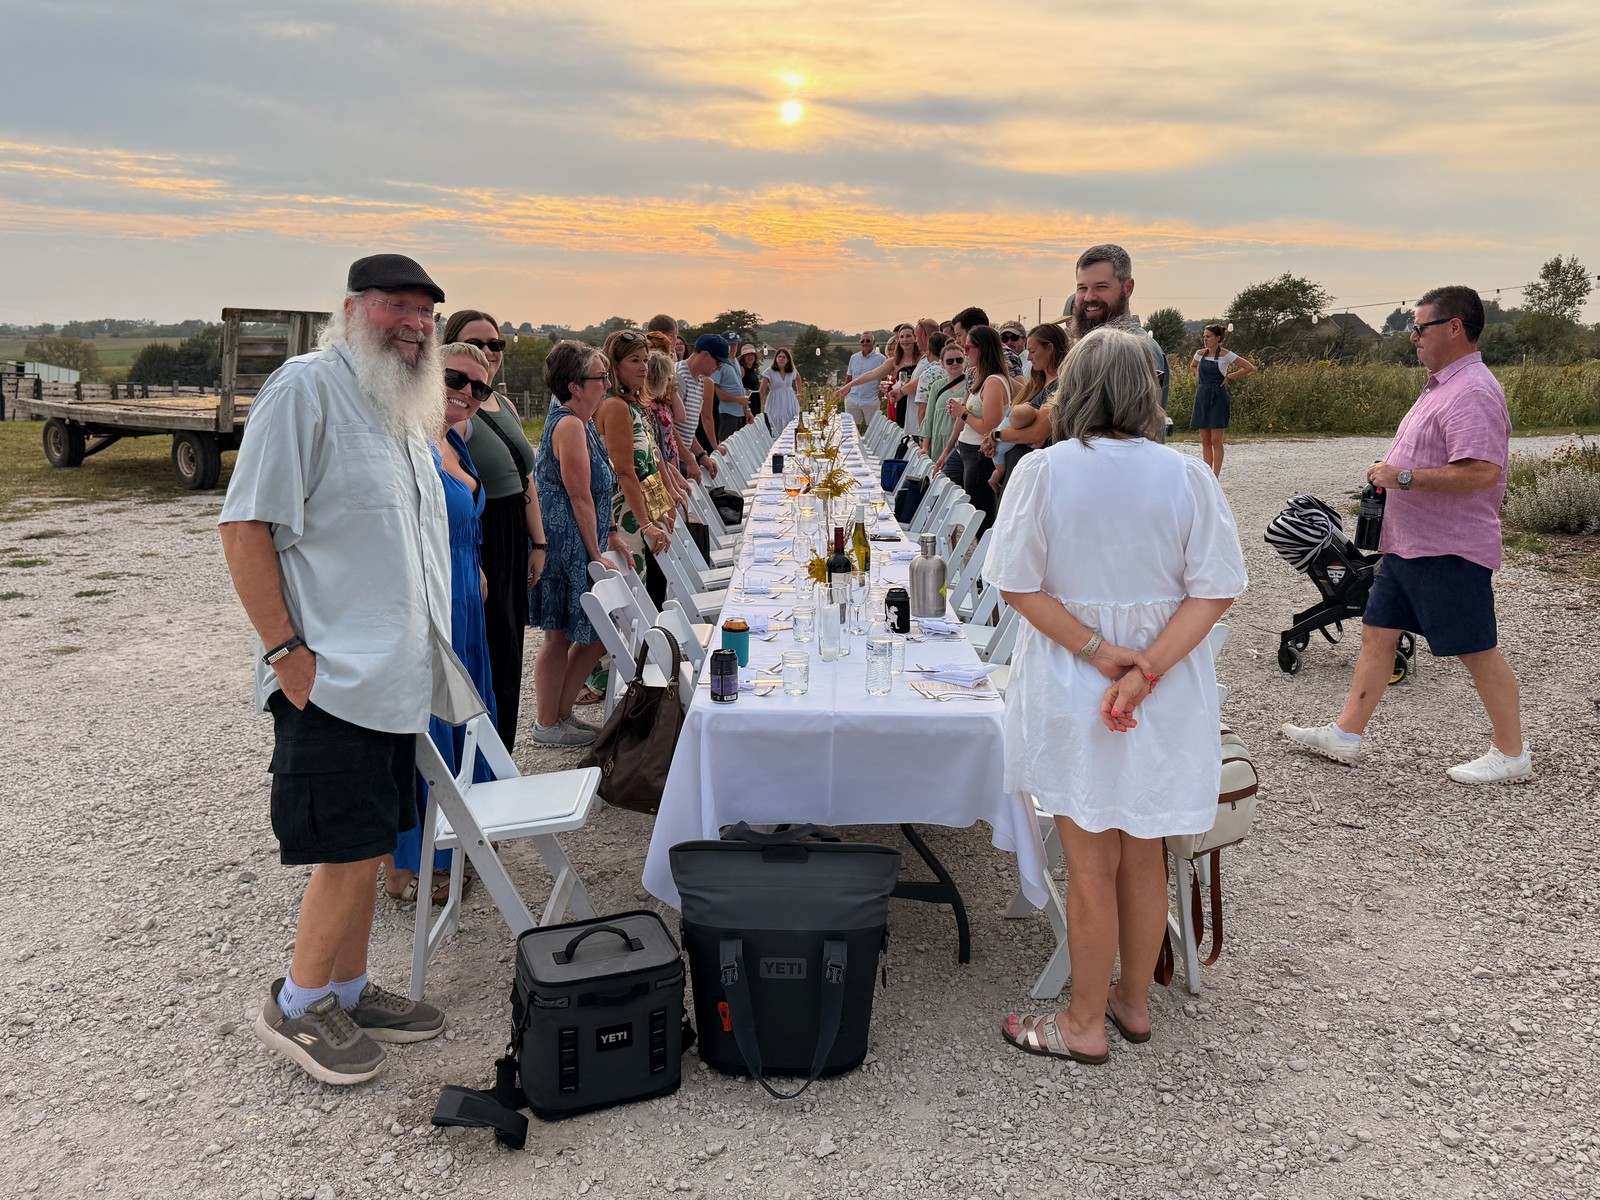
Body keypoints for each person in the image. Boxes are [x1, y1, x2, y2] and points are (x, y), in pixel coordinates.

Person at [219, 253, 473, 1085]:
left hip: (395, 678)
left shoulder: (400, 406)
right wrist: (285, 654)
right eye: (397, 305)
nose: (414, 324)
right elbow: (245, 527)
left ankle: (351, 989)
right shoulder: (305, 390)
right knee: (342, 851)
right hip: (329, 674)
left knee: (370, 843)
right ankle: (297, 1005)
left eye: (425, 313)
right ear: (353, 310)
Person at [988, 326, 1247, 1064]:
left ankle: (1082, 1022)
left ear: (1075, 389)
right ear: (1148, 392)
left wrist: (1100, 653)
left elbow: (1016, 585)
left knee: (1090, 864)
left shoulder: (1045, 472)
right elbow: (1216, 589)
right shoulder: (1187, 476)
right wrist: (1145, 670)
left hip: (1076, 683)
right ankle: (1132, 1002)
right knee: (1144, 855)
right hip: (1162, 691)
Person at [1283, 286, 1530, 785]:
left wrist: (1402, 477)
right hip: (1408, 546)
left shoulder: (1473, 391)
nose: (1413, 337)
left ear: (1454, 328)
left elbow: (1484, 471)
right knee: (1377, 634)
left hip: (1447, 548)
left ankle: (1512, 754)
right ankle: (1346, 733)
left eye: (1420, 327)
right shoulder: (1442, 386)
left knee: (1475, 648)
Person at [386, 343, 504, 906]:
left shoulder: (454, 439)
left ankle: (462, 835)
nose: (466, 393)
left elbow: (460, 518)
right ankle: (407, 862)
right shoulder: (407, 439)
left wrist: (474, 563)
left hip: (466, 601)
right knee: (431, 726)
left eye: (480, 387)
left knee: (466, 715)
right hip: (430, 602)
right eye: (456, 378)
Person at [441, 310, 546, 750]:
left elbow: (526, 478)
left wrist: (538, 540)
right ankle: (486, 751)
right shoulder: (459, 410)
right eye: (476, 343)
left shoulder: (499, 402)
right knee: (491, 643)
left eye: (495, 344)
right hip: (482, 527)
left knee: (510, 643)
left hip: (513, 528)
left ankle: (502, 750)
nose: (488, 351)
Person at [529, 341, 631, 744]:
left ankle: (560, 715)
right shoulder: (570, 425)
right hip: (566, 542)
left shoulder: (582, 421)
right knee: (561, 635)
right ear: (575, 386)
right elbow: (579, 495)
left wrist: (611, 533)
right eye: (600, 378)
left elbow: (598, 494)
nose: (607, 384)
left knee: (589, 633)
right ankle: (547, 722)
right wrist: (594, 552)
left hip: (581, 537)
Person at [596, 329, 675, 608]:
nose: (644, 367)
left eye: (645, 360)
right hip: (626, 513)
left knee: (651, 595)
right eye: (634, 360)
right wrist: (646, 523)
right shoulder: (615, 407)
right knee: (637, 600)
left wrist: (660, 507)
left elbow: (649, 464)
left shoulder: (632, 405)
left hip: (641, 507)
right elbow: (625, 471)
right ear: (615, 366)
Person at [1070, 244, 1171, 440]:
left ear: (1128, 288)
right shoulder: (1090, 347)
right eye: (1082, 288)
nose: (1089, 297)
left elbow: (1139, 432)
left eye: (1101, 287)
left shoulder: (1140, 349)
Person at [985, 322, 1067, 498]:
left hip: (1033, 476)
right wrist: (992, 443)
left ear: (1050, 348)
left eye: (1033, 351)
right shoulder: (1035, 384)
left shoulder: (1061, 386)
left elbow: (1036, 434)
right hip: (1015, 469)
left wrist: (997, 436)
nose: (1028, 357)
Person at [943, 325, 1012, 531]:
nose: (965, 352)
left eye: (968, 348)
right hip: (968, 452)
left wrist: (963, 413)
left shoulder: (993, 383)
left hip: (980, 455)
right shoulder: (981, 377)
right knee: (964, 508)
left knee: (979, 517)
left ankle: (982, 551)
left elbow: (990, 428)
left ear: (982, 349)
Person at [1189, 324, 1255, 477]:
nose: (1205, 339)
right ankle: (1207, 475)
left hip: (1218, 398)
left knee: (1216, 440)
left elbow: (1249, 367)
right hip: (1202, 396)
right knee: (1205, 440)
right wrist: (1198, 374)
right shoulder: (1200, 353)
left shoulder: (1226, 355)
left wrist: (1229, 377)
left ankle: (1215, 476)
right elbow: (1193, 366)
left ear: (1217, 338)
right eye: (1204, 336)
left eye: (1208, 336)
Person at [922, 339, 968, 485]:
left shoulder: (971, 384)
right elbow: (929, 416)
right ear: (942, 363)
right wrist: (925, 447)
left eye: (959, 360)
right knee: (937, 482)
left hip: (959, 440)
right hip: (938, 439)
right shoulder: (937, 386)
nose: (955, 364)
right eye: (949, 361)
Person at [841, 332, 886, 426]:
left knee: (872, 429)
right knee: (851, 428)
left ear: (874, 342)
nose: (865, 343)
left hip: (871, 399)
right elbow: (849, 377)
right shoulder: (854, 358)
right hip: (853, 398)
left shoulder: (881, 359)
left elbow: (884, 379)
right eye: (862, 341)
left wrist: (878, 397)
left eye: (868, 341)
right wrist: (847, 394)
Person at [761, 346, 801, 431]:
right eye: (779, 356)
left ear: (788, 360)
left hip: (789, 400)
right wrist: (757, 404)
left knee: (791, 422)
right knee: (775, 425)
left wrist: (799, 392)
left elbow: (798, 379)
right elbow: (761, 390)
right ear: (776, 358)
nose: (781, 359)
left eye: (784, 357)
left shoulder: (792, 371)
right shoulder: (769, 372)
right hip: (775, 402)